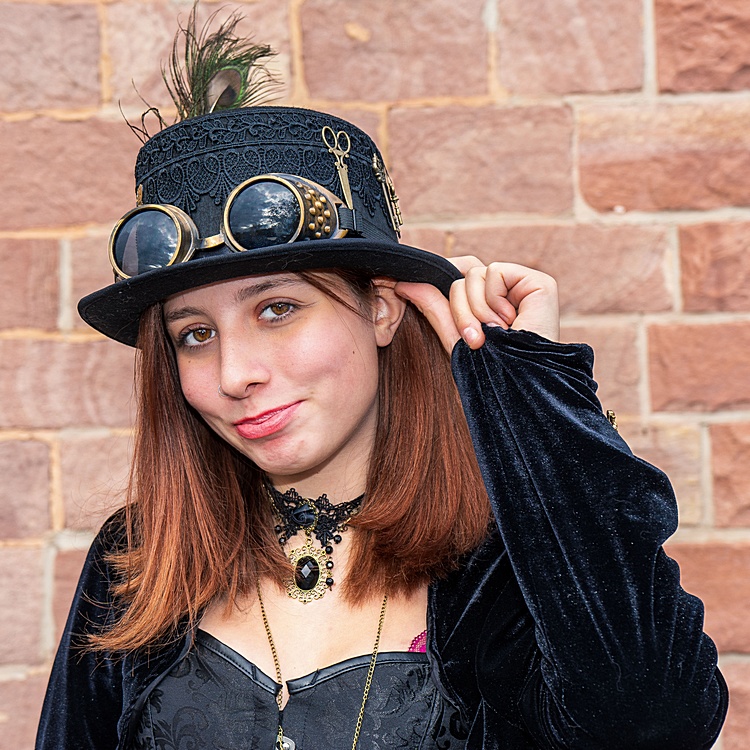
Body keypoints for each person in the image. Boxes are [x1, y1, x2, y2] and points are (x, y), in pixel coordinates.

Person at [37, 12, 727, 750]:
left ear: (382, 308)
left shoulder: (505, 560)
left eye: (277, 309)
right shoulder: (138, 559)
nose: (235, 374)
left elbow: (653, 723)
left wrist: (534, 399)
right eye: (195, 335)